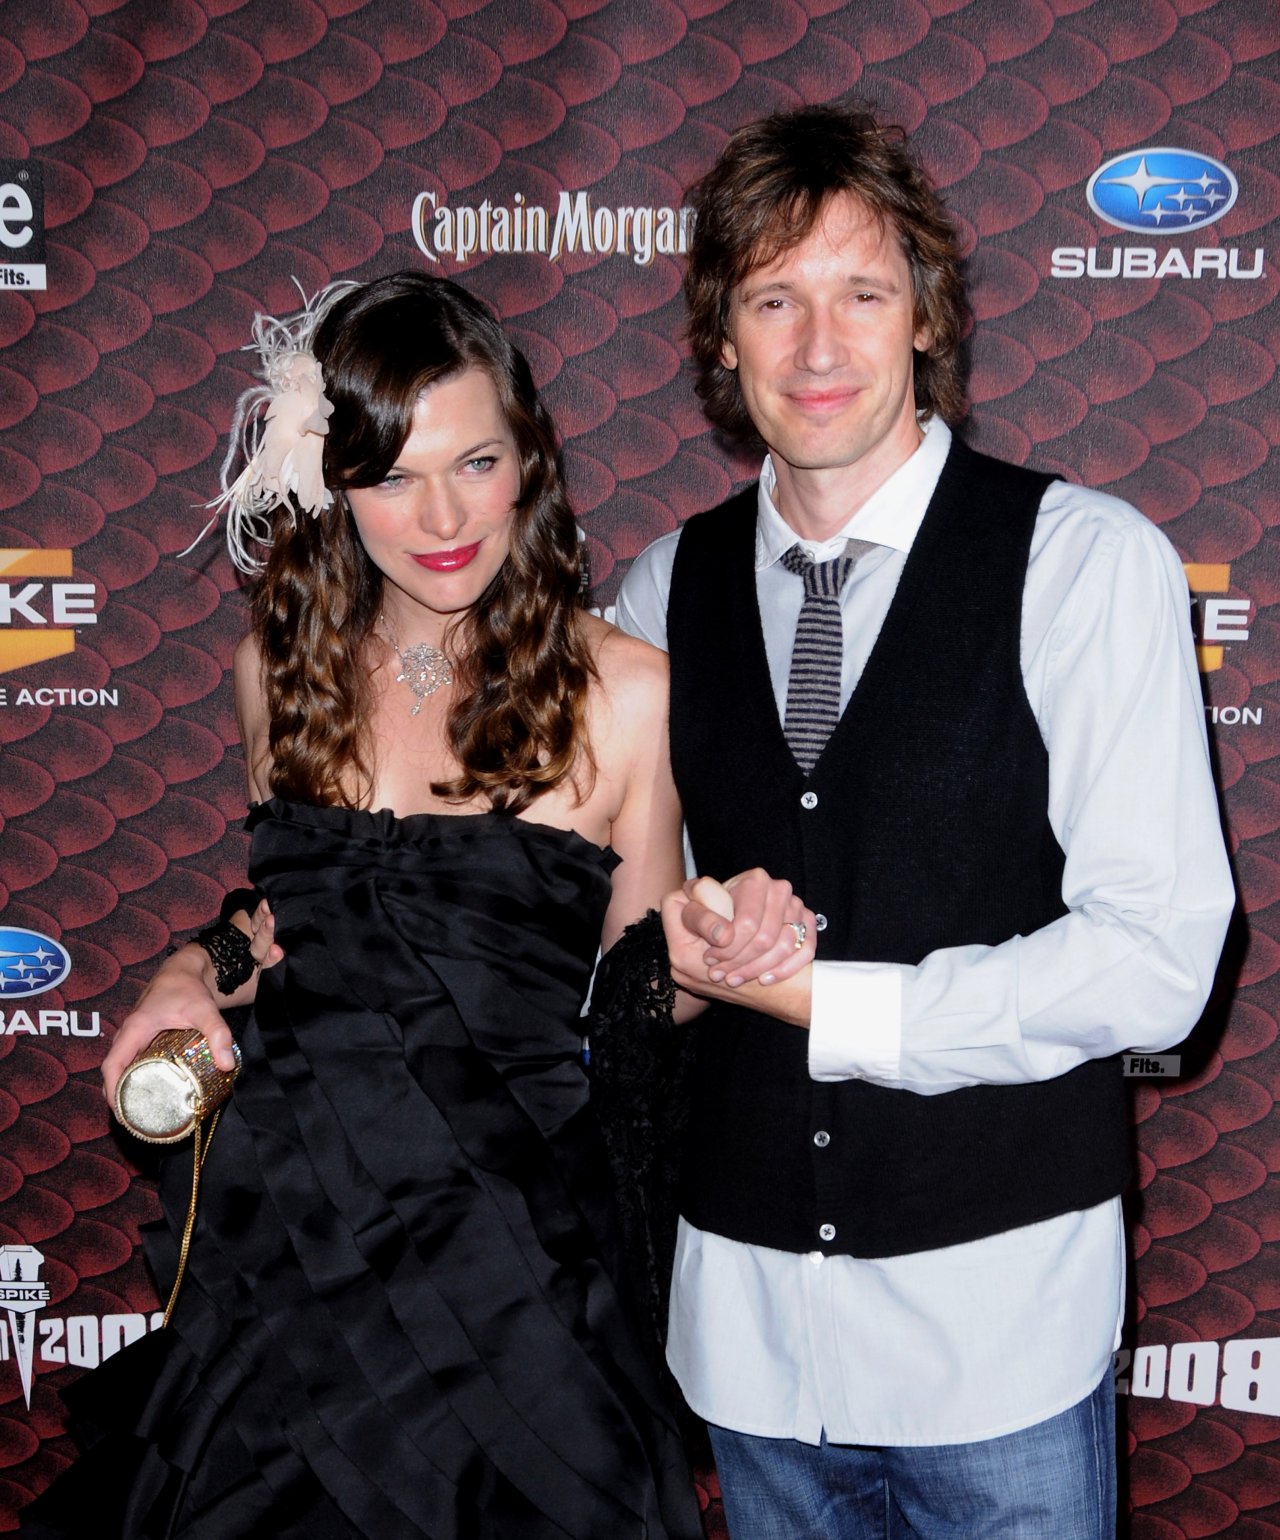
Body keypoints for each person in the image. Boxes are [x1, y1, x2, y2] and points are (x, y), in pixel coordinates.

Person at [22, 272, 814, 1540]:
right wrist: (193, 963)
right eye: (393, 476)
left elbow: (639, 990)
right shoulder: (273, 674)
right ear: (330, 483)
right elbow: (289, 918)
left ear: (528, 461)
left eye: (476, 462)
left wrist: (718, 945)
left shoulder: (627, 692)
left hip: (516, 1273)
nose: (443, 517)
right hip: (291, 1253)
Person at [617, 102, 1235, 1539]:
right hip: (748, 1341)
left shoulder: (1083, 564)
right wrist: (680, 944)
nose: (816, 347)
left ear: (925, 316)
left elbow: (1159, 956)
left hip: (998, 1335)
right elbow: (611, 941)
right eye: (772, 299)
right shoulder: (657, 595)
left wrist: (836, 1006)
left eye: (860, 293)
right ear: (721, 339)